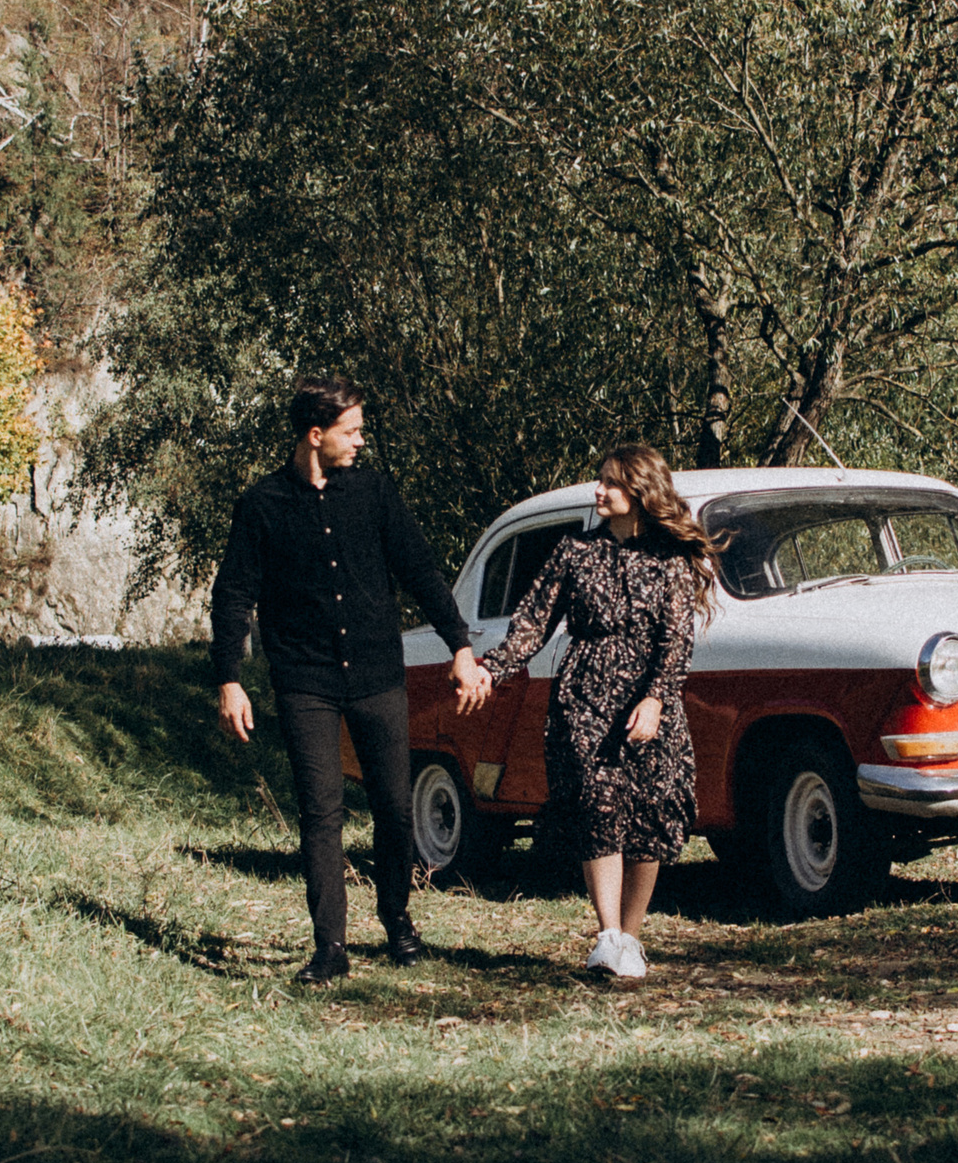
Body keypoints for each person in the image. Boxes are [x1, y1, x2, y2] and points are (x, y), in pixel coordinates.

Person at [212, 376, 490, 985]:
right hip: (305, 682)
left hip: (376, 677)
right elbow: (233, 595)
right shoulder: (261, 505)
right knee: (322, 814)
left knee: (393, 808)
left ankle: (396, 918)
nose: (362, 441)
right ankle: (330, 947)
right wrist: (230, 679)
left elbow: (418, 568)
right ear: (317, 435)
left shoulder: (373, 492)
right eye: (352, 431)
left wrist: (461, 646)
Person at [461, 443, 718, 980]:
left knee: (651, 812)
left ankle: (630, 938)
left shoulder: (670, 559)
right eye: (599, 480)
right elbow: (532, 623)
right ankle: (606, 937)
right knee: (598, 806)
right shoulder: (574, 552)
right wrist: (493, 668)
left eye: (611, 483)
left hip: (652, 698)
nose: (599, 491)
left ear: (639, 493)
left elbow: (676, 639)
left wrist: (655, 698)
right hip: (586, 698)